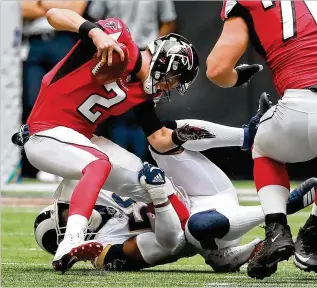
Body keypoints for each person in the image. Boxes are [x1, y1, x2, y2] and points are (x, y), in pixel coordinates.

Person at [13, 8, 202, 273]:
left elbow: (159, 140)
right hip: (44, 133)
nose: (169, 88)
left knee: (154, 185)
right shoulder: (118, 39)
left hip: (78, 139)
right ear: (164, 63)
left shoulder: (143, 92)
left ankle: (205, 244)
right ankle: (72, 241)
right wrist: (94, 31)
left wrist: (210, 135)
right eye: (173, 80)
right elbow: (55, 13)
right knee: (98, 163)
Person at [34, 160, 316, 273]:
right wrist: (159, 194)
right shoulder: (103, 243)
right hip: (194, 225)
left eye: (64, 211)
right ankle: (282, 210)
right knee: (195, 229)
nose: (70, 215)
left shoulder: (96, 189)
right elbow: (167, 246)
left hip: (199, 195)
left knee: (166, 137)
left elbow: (86, 149)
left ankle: (247, 134)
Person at [205, 0, 317, 279]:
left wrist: (236, 78)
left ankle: (277, 228)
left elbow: (217, 68)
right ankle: (314, 232)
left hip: (300, 104)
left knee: (264, 146)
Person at [21, 0, 87, 179]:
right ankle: (45, 161)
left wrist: (41, 4)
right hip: (34, 43)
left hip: (63, 40)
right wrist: (58, 7)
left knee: (67, 102)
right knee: (34, 102)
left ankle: (65, 161)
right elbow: (22, 9)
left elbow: (77, 9)